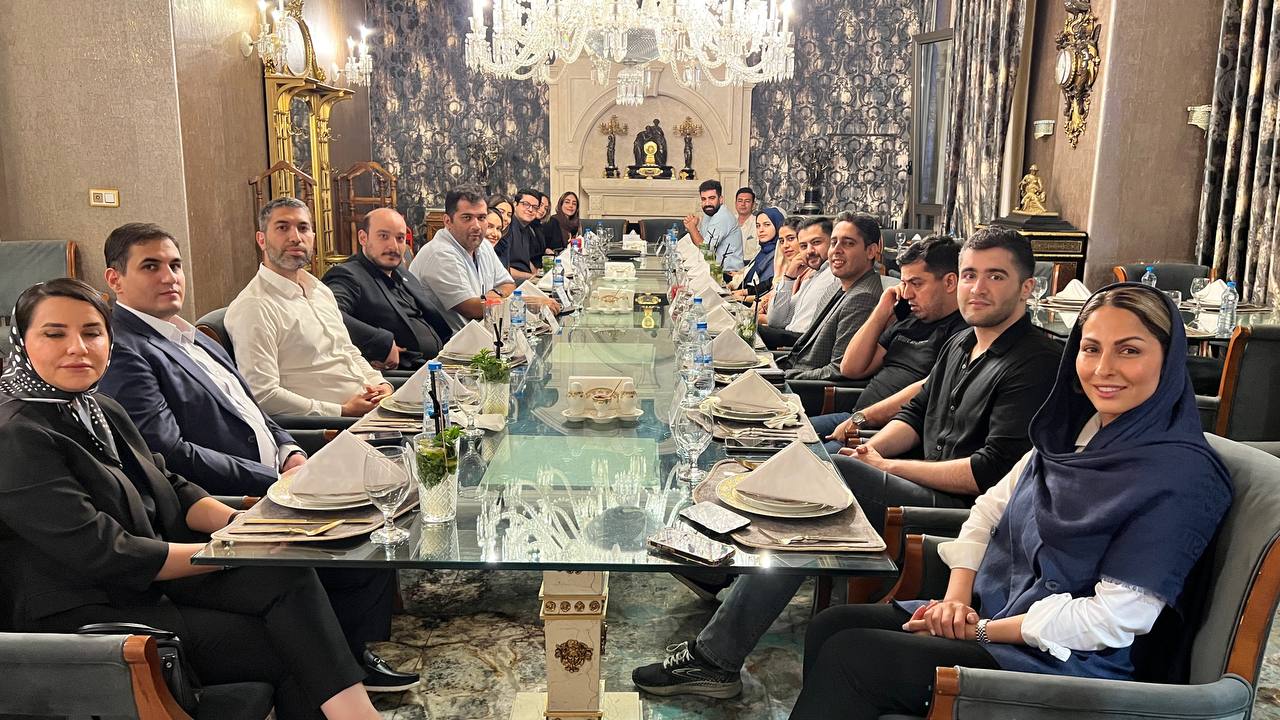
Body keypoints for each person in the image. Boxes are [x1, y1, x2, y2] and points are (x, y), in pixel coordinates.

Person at [632, 228, 1061, 700]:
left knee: (832, 474)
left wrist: (886, 468)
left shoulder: (1036, 362)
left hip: (960, 508)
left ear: (1027, 287)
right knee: (817, 468)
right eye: (970, 275)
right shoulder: (963, 341)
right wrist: (874, 452)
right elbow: (915, 415)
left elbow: (988, 472)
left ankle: (715, 647)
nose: (977, 288)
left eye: (995, 276)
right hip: (923, 476)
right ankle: (718, 622)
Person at [790, 283, 1231, 719]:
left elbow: (1113, 619)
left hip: (1067, 667)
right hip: (996, 612)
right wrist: (956, 600)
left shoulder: (1180, 475)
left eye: (1129, 350)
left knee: (854, 657)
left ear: (1169, 360)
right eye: (1091, 349)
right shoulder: (1070, 434)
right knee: (833, 625)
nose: (1103, 369)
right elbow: (989, 509)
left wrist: (980, 631)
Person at [0, 279, 383, 719]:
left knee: (286, 576)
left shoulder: (98, 406)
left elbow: (171, 485)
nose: (78, 348)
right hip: (83, 610)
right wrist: (230, 549)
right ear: (22, 342)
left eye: (92, 332)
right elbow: (103, 551)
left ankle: (356, 714)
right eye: (55, 334)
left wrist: (244, 525)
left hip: (146, 578)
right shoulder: (17, 434)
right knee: (290, 646)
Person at [96, 226, 421, 693]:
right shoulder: (126, 350)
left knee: (387, 494)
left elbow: (256, 412)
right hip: (229, 493)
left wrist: (291, 452)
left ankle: (351, 651)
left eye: (175, 265)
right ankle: (344, 664)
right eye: (151, 266)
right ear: (115, 279)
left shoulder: (191, 336)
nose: (169, 276)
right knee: (363, 524)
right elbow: (170, 453)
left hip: (280, 468)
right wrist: (273, 476)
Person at [225, 197, 391, 418]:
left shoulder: (319, 290)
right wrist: (341, 411)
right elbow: (262, 395)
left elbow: (347, 351)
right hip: (334, 427)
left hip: (372, 411)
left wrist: (380, 384)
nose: (295, 238)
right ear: (261, 239)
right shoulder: (255, 307)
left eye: (303, 228)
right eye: (283, 228)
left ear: (313, 237)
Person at [809, 236, 967, 453]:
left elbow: (928, 389)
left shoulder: (962, 333)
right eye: (904, 283)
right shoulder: (910, 318)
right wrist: (882, 310)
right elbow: (851, 368)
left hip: (882, 433)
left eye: (916, 283)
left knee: (798, 462)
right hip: (855, 417)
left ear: (950, 282)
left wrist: (863, 419)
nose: (907, 293)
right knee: (779, 437)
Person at [322, 207, 453, 372]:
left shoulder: (402, 274)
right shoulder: (348, 275)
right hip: (401, 374)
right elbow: (327, 313)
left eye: (400, 238)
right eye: (383, 236)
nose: (393, 246)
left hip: (440, 364)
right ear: (363, 238)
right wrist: (381, 343)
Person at [776, 213, 884, 381]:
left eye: (848, 243)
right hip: (794, 369)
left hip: (805, 387)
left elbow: (836, 371)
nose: (836, 250)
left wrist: (780, 376)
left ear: (871, 251)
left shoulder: (863, 298)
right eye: (834, 243)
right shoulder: (838, 285)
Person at [408, 189, 522, 333]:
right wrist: (504, 298)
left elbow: (509, 284)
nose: (477, 226)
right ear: (447, 221)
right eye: (467, 217)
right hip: (449, 342)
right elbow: (472, 309)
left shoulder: (483, 245)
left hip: (482, 333)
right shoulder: (440, 253)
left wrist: (492, 296)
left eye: (482, 218)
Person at [760, 218, 842, 349]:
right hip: (790, 339)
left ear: (833, 243)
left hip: (800, 345)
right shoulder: (813, 275)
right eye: (803, 246)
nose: (809, 250)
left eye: (816, 242)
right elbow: (775, 320)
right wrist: (789, 278)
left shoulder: (836, 275)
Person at [683, 179, 744, 272]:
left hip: (729, 275)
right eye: (704, 199)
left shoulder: (722, 216)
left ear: (721, 199)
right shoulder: (709, 213)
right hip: (714, 270)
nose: (707, 203)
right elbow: (701, 244)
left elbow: (706, 251)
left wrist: (692, 228)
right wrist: (693, 228)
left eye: (711, 198)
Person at [731, 206, 783, 300]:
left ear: (778, 226)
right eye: (758, 226)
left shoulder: (780, 253)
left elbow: (770, 290)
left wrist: (743, 297)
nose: (761, 230)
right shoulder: (763, 251)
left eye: (767, 225)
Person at [758, 218, 802, 322]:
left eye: (791, 239)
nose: (785, 246)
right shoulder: (788, 267)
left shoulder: (809, 273)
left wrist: (759, 318)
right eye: (782, 241)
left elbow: (790, 320)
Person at [501, 188, 543, 282]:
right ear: (515, 204)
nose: (530, 209)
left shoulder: (527, 228)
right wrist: (532, 277)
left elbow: (525, 259)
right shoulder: (507, 227)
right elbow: (502, 269)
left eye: (535, 207)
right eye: (526, 204)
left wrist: (538, 274)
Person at [734, 186, 759, 261]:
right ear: (735, 203)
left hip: (750, 264)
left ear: (753, 205)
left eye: (747, 201)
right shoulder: (729, 221)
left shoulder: (758, 223)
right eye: (740, 201)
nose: (743, 204)